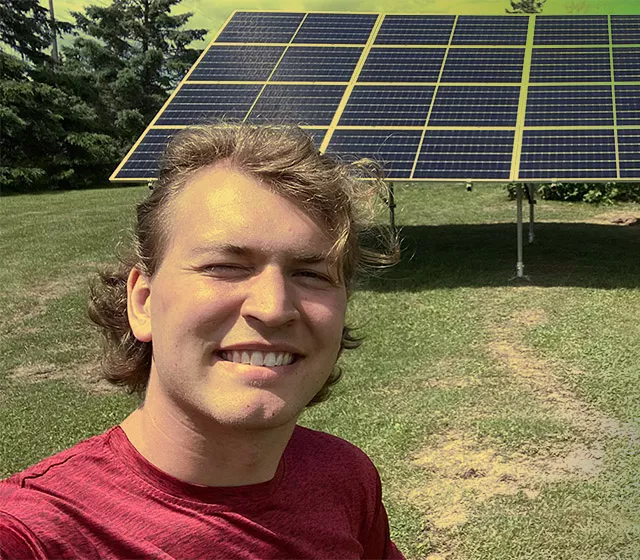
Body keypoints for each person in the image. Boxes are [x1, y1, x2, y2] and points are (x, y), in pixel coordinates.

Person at [0, 123, 404, 559]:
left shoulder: (343, 477)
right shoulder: (35, 535)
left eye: (311, 274)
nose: (273, 307)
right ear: (143, 301)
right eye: (225, 267)